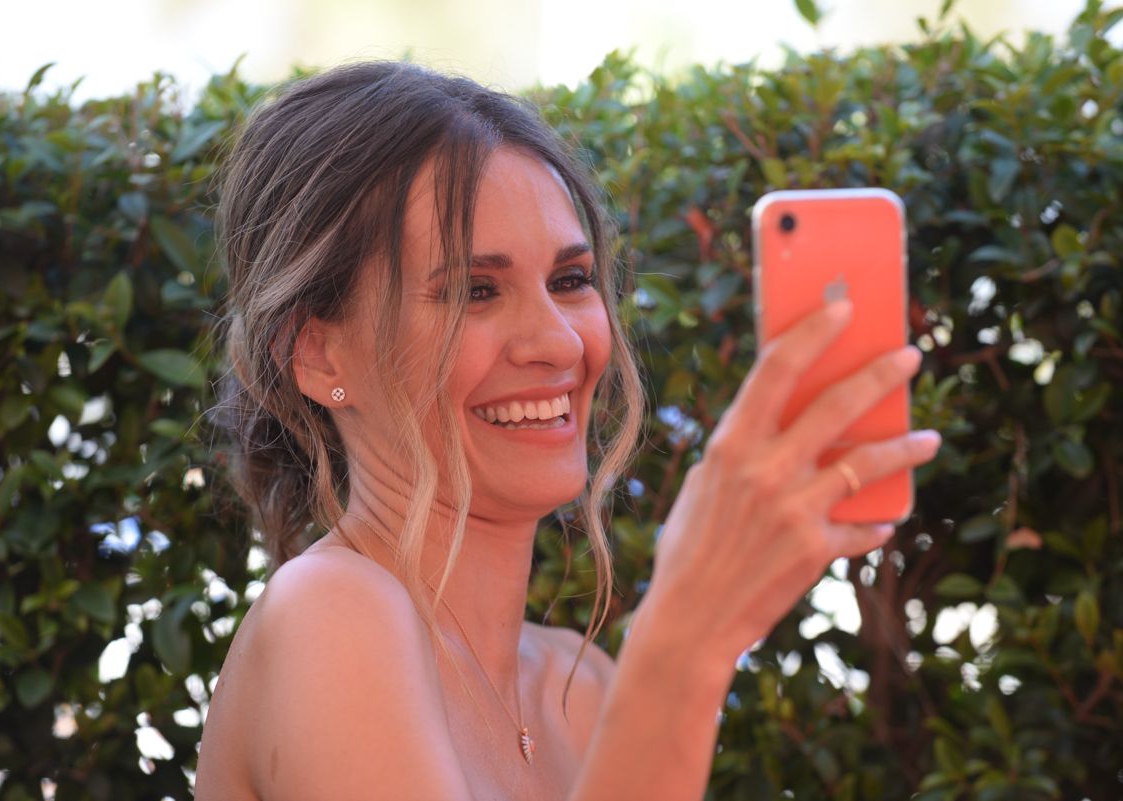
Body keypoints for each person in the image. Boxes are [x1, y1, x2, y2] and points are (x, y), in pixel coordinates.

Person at [194, 61, 941, 801]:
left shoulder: (582, 689)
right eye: (474, 291)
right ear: (318, 352)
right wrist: (685, 639)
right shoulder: (328, 611)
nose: (557, 341)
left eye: (570, 280)